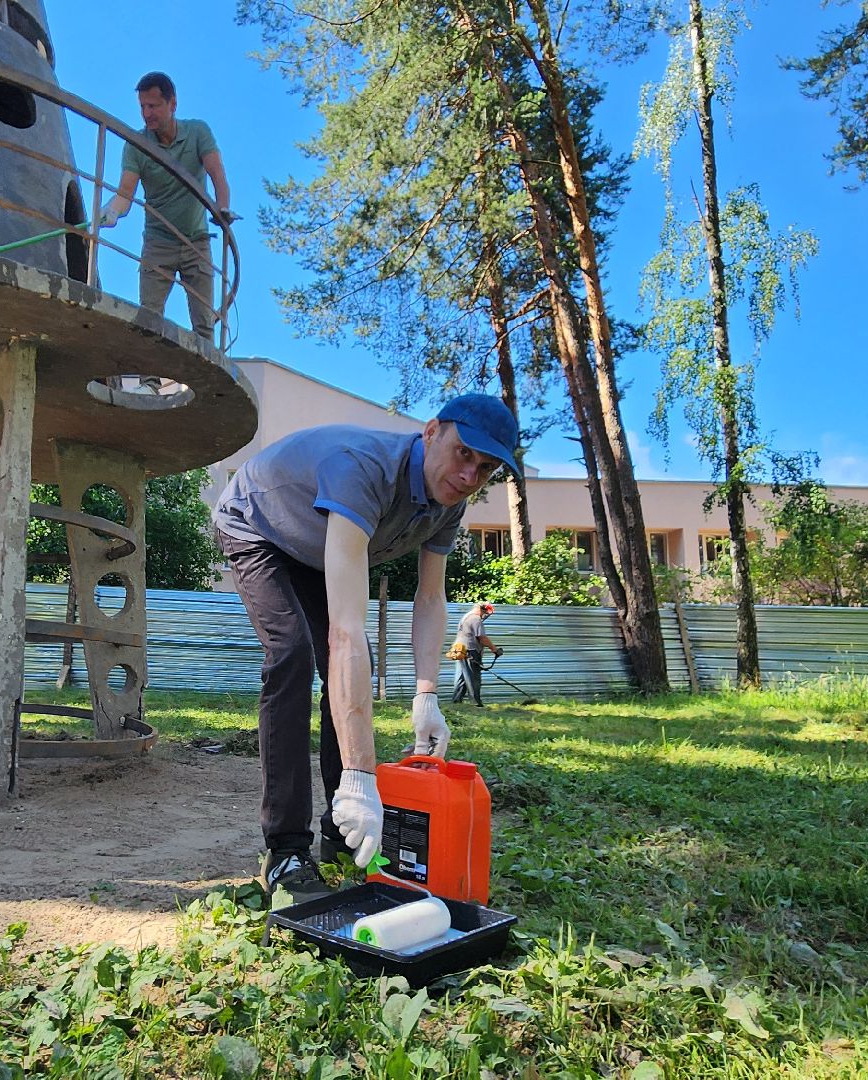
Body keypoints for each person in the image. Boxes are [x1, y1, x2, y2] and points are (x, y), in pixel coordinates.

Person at [212, 393, 519, 902]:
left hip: (313, 542)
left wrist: (427, 698)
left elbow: (430, 598)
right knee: (293, 654)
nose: (470, 476)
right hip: (258, 523)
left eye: (485, 468)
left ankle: (341, 826)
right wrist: (362, 775)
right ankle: (286, 846)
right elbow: (346, 633)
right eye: (464, 453)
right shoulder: (365, 470)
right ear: (431, 431)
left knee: (353, 667)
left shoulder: (447, 502)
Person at [97, 71, 232, 336]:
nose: (147, 114)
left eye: (154, 106)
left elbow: (217, 174)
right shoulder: (136, 144)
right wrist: (112, 210)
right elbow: (126, 192)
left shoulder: (197, 132)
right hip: (158, 243)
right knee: (149, 317)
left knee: (204, 323)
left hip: (197, 242)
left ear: (172, 104)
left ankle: (200, 379)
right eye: (143, 107)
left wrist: (223, 208)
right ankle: (149, 380)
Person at [448, 602, 503, 707]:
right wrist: (494, 649)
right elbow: (482, 638)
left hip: (460, 650)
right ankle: (476, 703)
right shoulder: (475, 619)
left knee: (462, 677)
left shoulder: (466, 617)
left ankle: (456, 701)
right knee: (474, 677)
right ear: (481, 609)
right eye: (486, 612)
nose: (486, 615)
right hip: (470, 651)